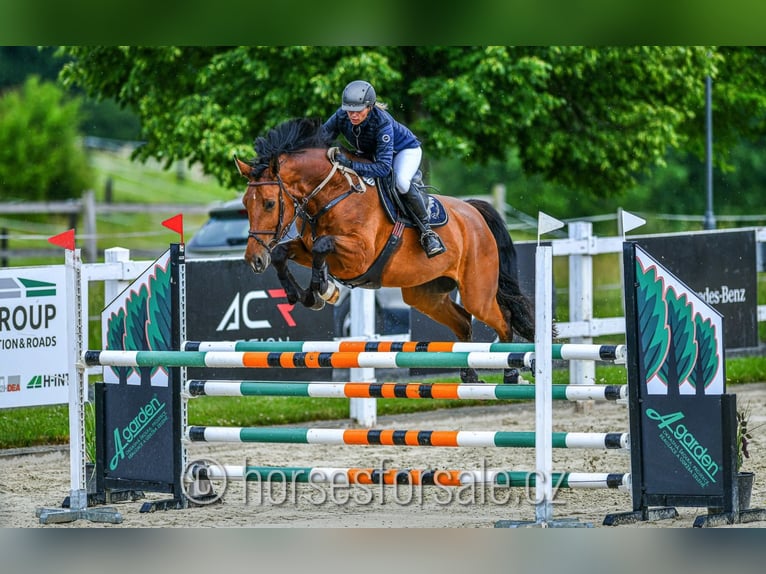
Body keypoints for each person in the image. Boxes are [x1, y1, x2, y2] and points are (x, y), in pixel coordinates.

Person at [322, 80, 446, 258]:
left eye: (358, 111)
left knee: (401, 183)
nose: (353, 115)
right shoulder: (342, 115)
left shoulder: (382, 123)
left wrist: (349, 165)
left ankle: (427, 232)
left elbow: (382, 168)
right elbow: (321, 137)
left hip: (404, 151)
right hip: (372, 154)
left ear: (370, 107)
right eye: (349, 110)